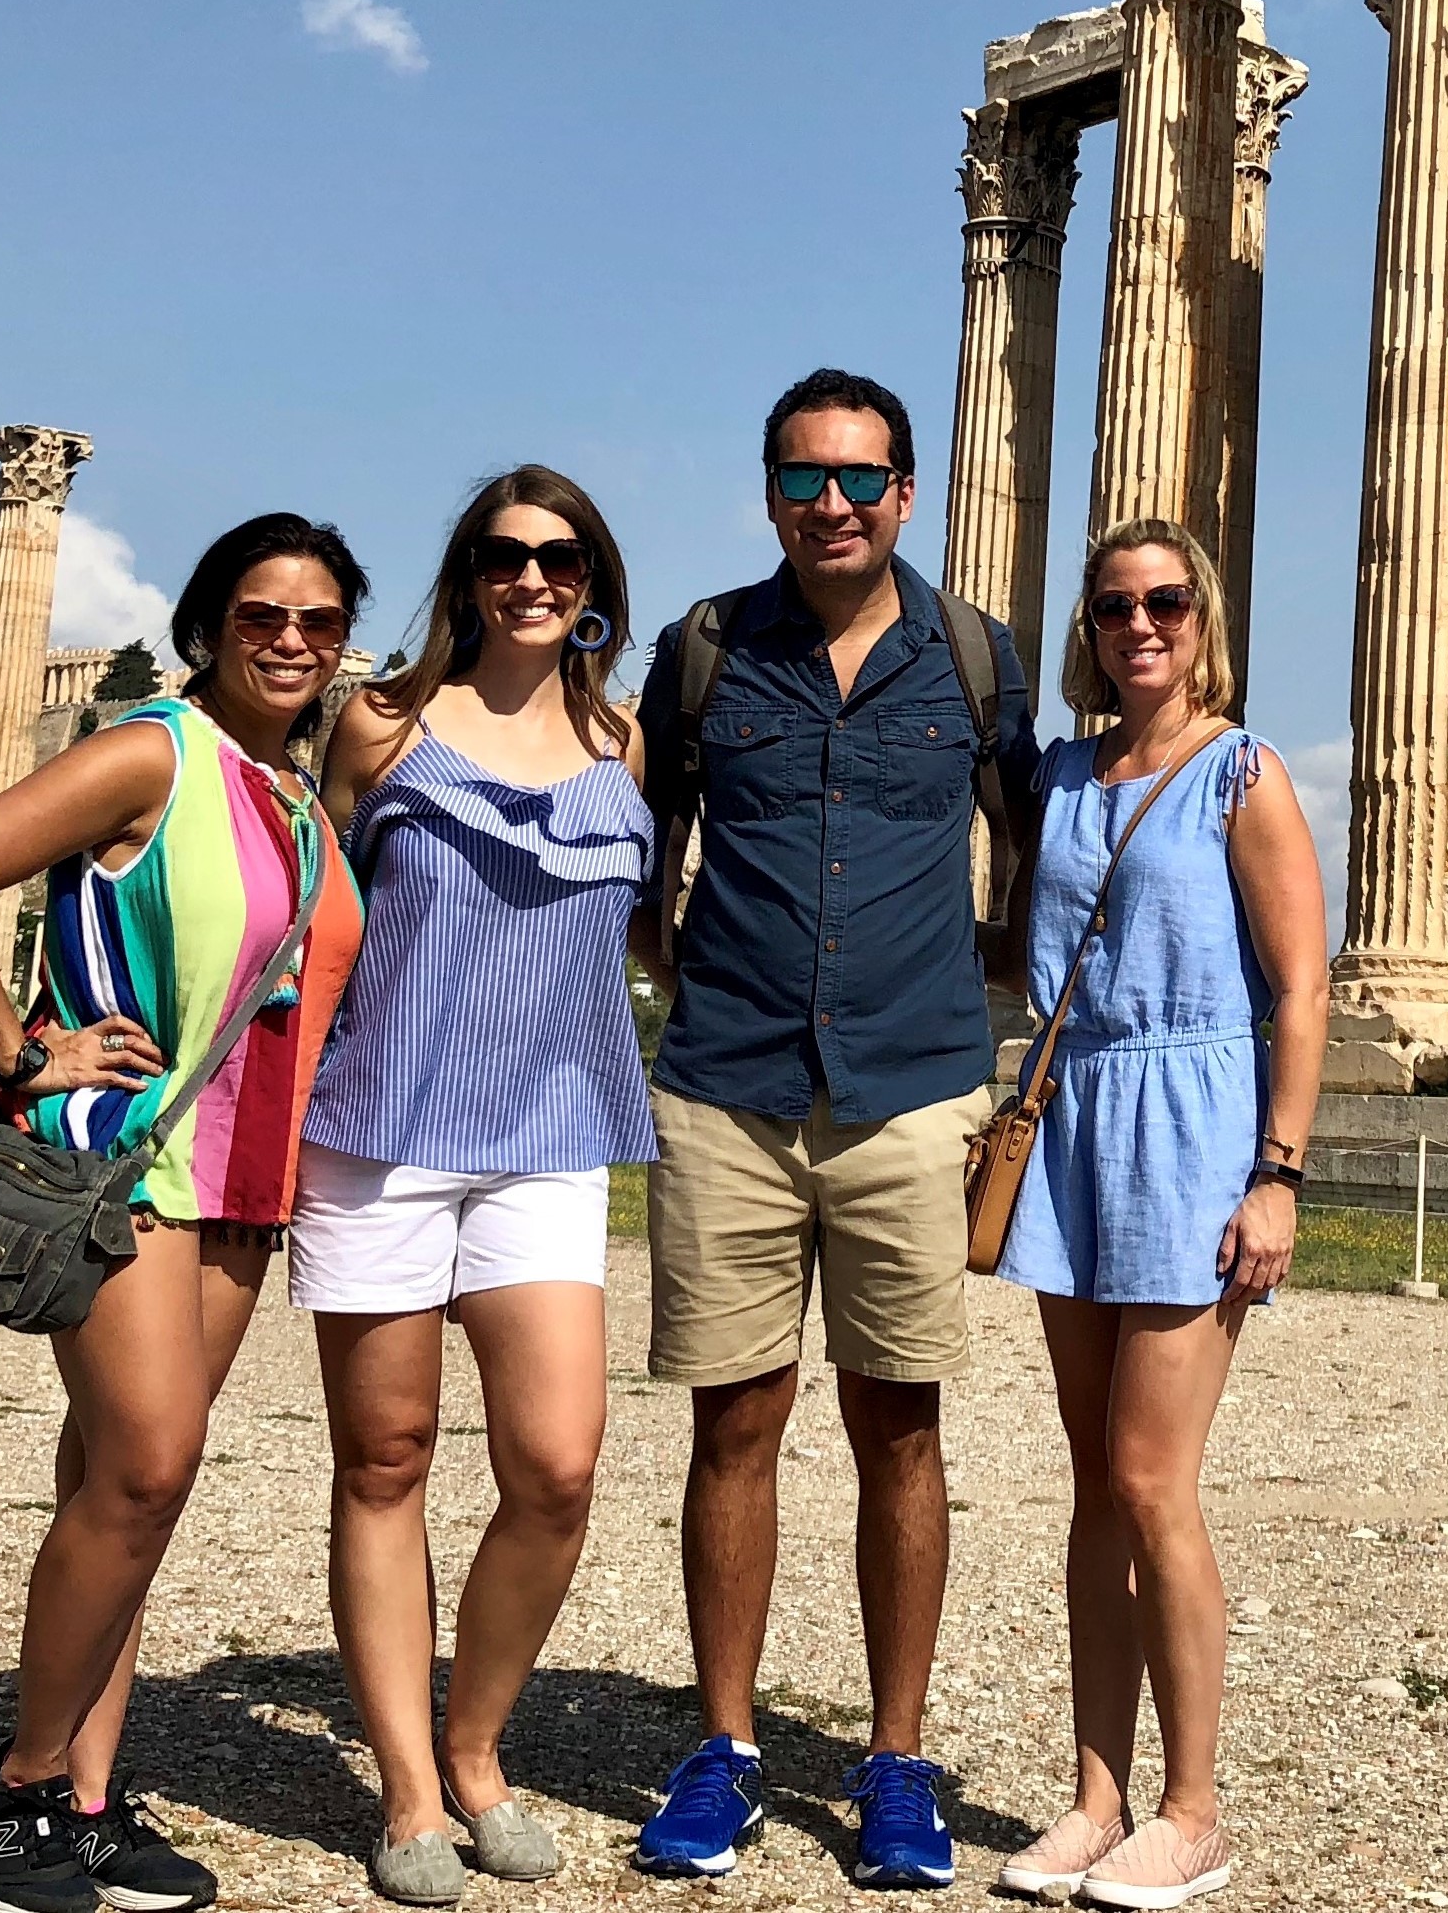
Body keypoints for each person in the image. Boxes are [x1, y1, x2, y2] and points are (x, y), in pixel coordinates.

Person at [0, 514, 369, 1913]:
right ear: (208, 626)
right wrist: (16, 1045)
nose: (291, 638)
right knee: (149, 1467)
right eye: (261, 615)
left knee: (123, 1488)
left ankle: (88, 1802)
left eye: (320, 621)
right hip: (125, 1169)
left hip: (240, 1179)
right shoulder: (152, 751)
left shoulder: (292, 794)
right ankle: (20, 1783)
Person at [630, 368, 1038, 1890]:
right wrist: (665, 955)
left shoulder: (976, 661)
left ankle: (893, 1756)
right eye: (804, 479)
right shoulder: (707, 652)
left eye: (861, 477)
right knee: (733, 1422)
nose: (835, 504)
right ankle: (728, 1747)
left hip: (914, 1083)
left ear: (907, 491)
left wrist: (993, 984)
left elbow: (1036, 848)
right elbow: (646, 832)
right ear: (770, 494)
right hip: (730, 1081)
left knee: (901, 1428)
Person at [298, 468, 656, 1907]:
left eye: (560, 557)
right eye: (505, 556)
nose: (532, 578)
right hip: (380, 1130)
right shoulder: (378, 725)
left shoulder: (624, 744)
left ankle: (478, 1741)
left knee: (557, 1466)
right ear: (465, 574)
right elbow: (311, 916)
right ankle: (404, 1789)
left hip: (551, 1132)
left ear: (594, 582)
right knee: (387, 1461)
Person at [990, 521, 1328, 1911]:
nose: (1142, 623)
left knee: (1151, 1481)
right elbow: (1024, 945)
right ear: (1091, 623)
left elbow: (1304, 984)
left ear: (1205, 619)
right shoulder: (1063, 775)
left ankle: (1193, 1809)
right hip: (1078, 1119)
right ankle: (1095, 1792)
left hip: (1196, 1126)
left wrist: (1281, 1172)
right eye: (1118, 603)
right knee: (1091, 1490)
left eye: (1167, 602)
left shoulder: (1245, 772)